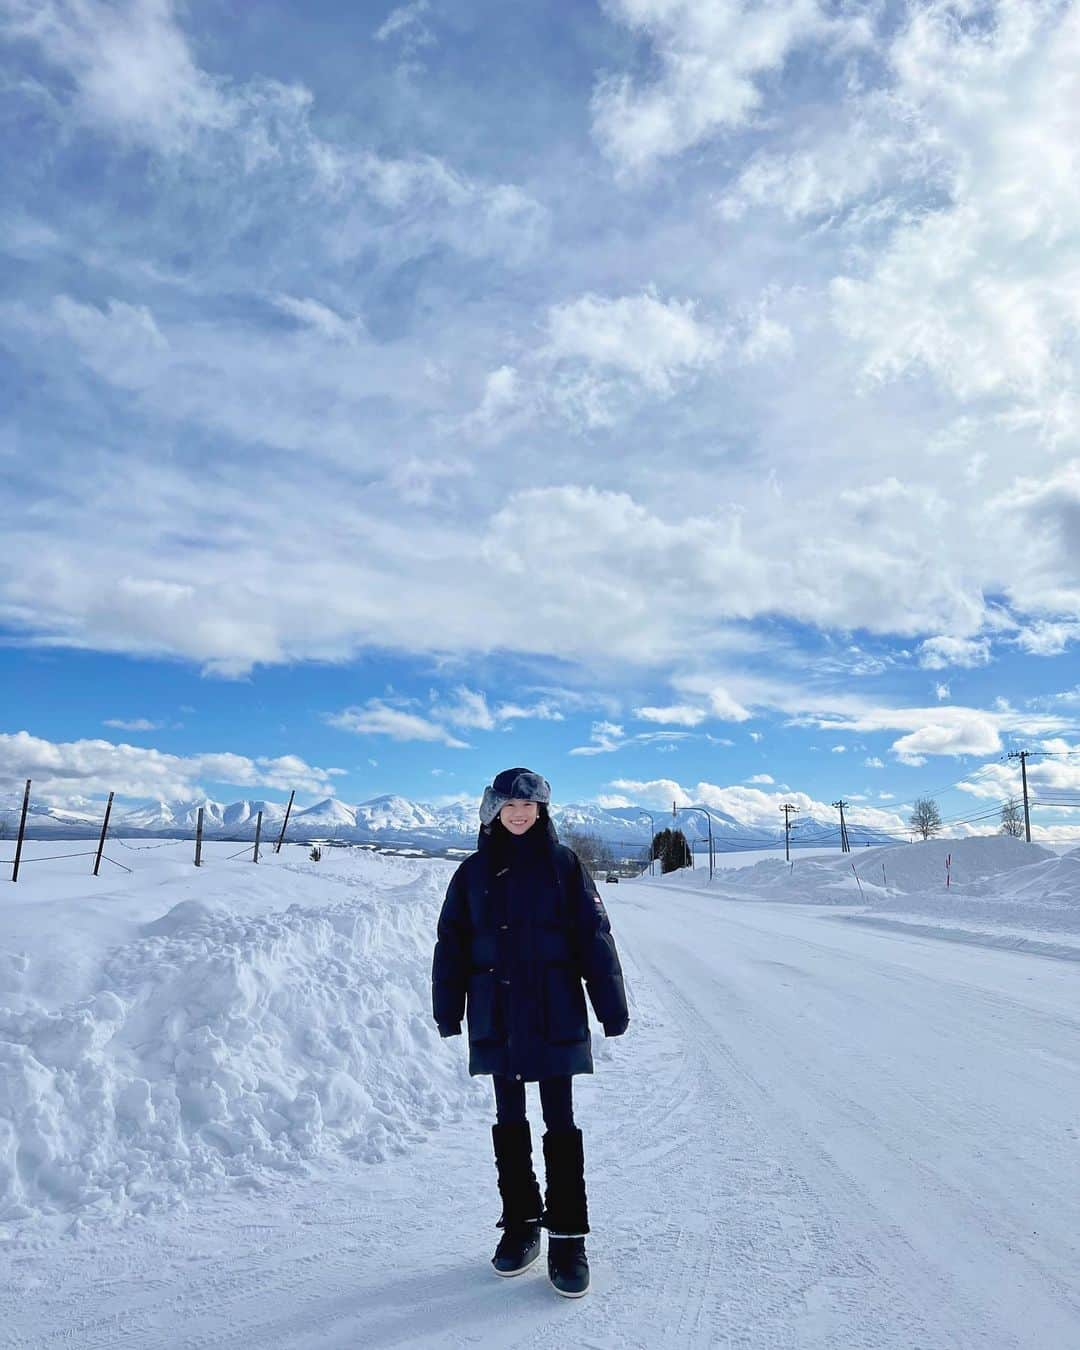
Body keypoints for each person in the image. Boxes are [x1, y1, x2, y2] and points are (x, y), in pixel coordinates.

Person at [432, 767, 629, 1298]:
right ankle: (521, 1224)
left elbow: (594, 937)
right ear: (492, 812)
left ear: (542, 811)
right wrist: (448, 1009)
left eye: (529, 806)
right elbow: (451, 943)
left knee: (560, 1121)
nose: (518, 815)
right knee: (509, 1119)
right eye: (508, 807)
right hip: (496, 1014)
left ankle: (568, 1234)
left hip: (556, 1010)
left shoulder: (565, 866)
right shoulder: (472, 873)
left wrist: (610, 1006)